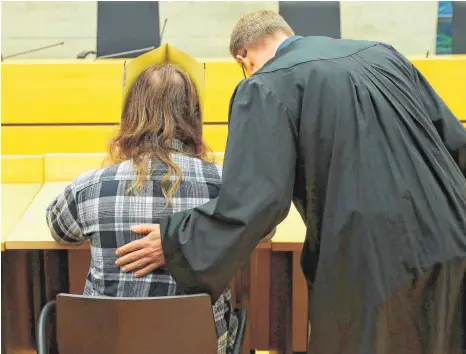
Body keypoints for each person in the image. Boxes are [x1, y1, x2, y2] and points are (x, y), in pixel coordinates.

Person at [115, 10, 466, 354]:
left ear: (245, 59)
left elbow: (256, 201)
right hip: (455, 235)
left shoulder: (265, 85)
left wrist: (178, 240)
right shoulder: (383, 55)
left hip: (374, 261)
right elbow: (455, 142)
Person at [46, 63, 238, 354]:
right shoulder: (227, 185)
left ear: (130, 117)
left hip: (105, 345)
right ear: (194, 118)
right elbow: (262, 228)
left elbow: (59, 229)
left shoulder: (90, 187)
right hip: (199, 345)